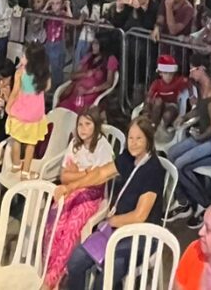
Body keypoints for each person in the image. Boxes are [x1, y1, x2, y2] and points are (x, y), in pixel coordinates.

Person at [63, 117, 165, 290]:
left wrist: (110, 222)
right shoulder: (127, 156)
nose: (133, 143)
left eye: (139, 138)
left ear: (149, 140)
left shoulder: (154, 170)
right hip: (116, 228)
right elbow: (101, 174)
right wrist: (71, 186)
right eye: (130, 138)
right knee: (75, 262)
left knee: (104, 280)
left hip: (140, 235)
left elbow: (139, 216)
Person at [43, 107, 117, 290]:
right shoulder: (75, 144)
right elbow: (63, 176)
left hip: (92, 194)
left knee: (71, 227)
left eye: (88, 124)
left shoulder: (103, 147)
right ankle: (49, 268)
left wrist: (77, 174)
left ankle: (55, 277)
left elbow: (97, 179)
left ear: (96, 126)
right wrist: (85, 173)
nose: (83, 129)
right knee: (55, 218)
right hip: (73, 190)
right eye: (80, 125)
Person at [166, 57, 211, 226]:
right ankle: (183, 201)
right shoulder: (201, 88)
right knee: (171, 155)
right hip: (202, 135)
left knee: (180, 164)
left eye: (193, 69)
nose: (190, 71)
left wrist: (198, 137)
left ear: (202, 69)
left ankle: (205, 204)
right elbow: (199, 110)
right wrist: (184, 117)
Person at [6, 43, 50, 177]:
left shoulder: (20, 72)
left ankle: (16, 165)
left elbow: (14, 92)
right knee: (31, 143)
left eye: (24, 56)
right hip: (35, 114)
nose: (22, 57)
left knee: (16, 140)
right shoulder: (44, 74)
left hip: (20, 112)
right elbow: (47, 88)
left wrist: (8, 106)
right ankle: (26, 171)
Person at [57, 32, 118, 112]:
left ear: (103, 45)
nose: (93, 46)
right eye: (93, 43)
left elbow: (108, 83)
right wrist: (85, 74)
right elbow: (72, 76)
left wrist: (89, 91)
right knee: (61, 109)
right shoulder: (89, 56)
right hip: (76, 92)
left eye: (96, 44)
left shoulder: (110, 59)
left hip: (92, 94)